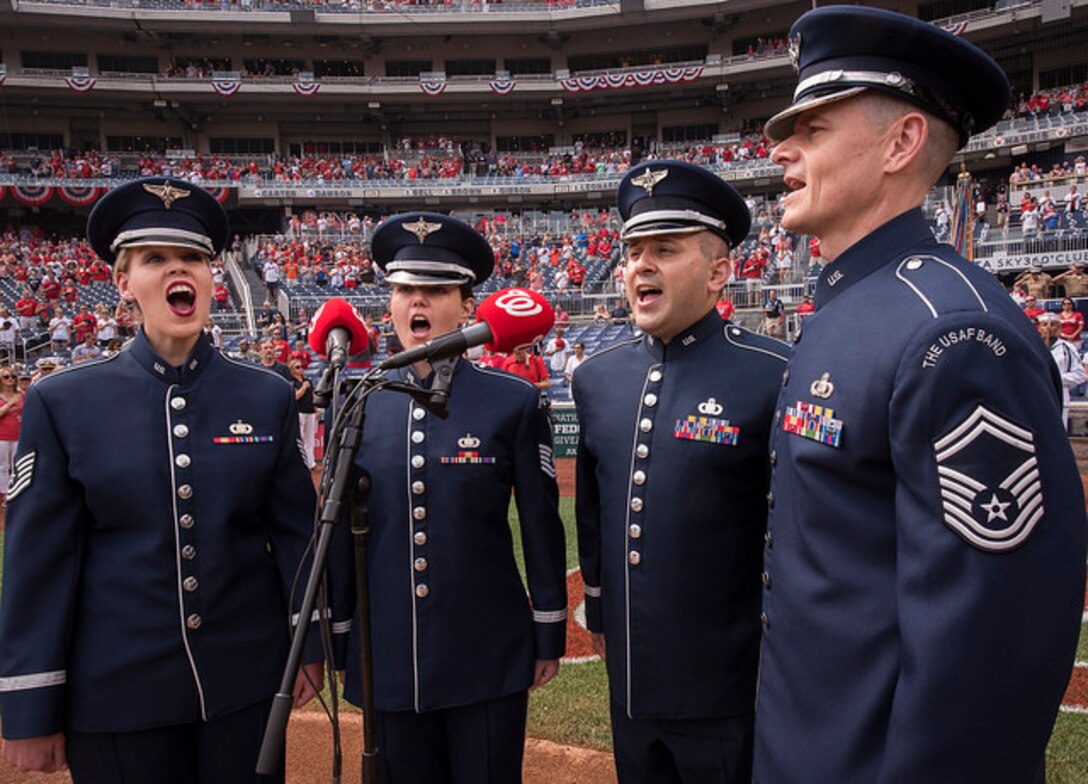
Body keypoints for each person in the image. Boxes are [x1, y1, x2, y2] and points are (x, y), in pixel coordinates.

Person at [754, 8, 1086, 783]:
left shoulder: (953, 331)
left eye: (813, 128)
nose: (780, 149)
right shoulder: (853, 307)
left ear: (902, 143)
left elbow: (989, 647)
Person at [0, 177, 323, 783]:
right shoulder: (63, 401)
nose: (181, 271)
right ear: (124, 283)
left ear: (211, 277)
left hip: (245, 691)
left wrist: (309, 646)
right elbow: (37, 564)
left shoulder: (268, 396)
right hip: (117, 697)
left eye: (194, 258)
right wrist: (29, 704)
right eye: (155, 259)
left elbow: (297, 538)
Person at [329, 212, 567, 783]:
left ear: (467, 306)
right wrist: (338, 636)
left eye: (436, 290)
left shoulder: (511, 401)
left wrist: (548, 629)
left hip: (487, 654)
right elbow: (335, 532)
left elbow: (540, 522)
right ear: (389, 303)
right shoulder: (356, 399)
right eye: (406, 289)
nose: (419, 302)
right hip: (385, 654)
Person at [573, 160, 789, 783]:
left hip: (728, 693)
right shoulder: (595, 378)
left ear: (719, 271)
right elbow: (592, 513)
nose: (641, 264)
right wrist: (599, 610)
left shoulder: (774, 372)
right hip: (632, 692)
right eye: (633, 251)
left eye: (665, 250)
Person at [1038, 312, 1086, 429]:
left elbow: (1080, 375)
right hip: (1037, 397)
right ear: (1039, 328)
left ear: (1059, 327)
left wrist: (1056, 378)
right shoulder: (1032, 346)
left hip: (1059, 398)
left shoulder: (1067, 348)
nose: (1048, 328)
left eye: (1053, 324)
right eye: (1044, 324)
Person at [0, 366, 24, 506]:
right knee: (3, 466)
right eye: (6, 377)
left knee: (18, 465)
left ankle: (16, 491)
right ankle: (6, 494)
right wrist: (10, 403)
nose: (10, 379)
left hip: (18, 434)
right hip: (2, 436)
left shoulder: (21, 394)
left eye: (13, 377)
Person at [289, 359, 317, 470]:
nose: (301, 369)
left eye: (301, 366)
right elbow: (296, 396)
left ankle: (311, 463)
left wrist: (316, 409)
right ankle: (300, 463)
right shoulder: (292, 382)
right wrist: (304, 387)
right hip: (299, 412)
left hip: (310, 411)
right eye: (297, 367)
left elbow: (313, 395)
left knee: (310, 439)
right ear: (292, 370)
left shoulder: (307, 380)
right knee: (300, 438)